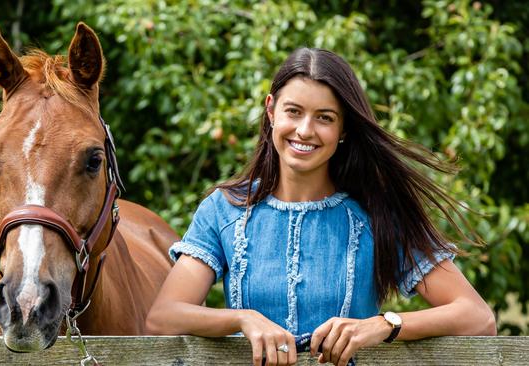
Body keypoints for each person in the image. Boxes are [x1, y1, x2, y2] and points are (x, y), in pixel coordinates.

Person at [145, 48, 496, 366]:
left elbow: (477, 317)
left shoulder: (378, 212)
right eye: (293, 112)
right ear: (270, 111)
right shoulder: (225, 209)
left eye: (325, 118)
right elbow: (163, 317)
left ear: (343, 128)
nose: (305, 130)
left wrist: (382, 325)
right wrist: (242, 319)